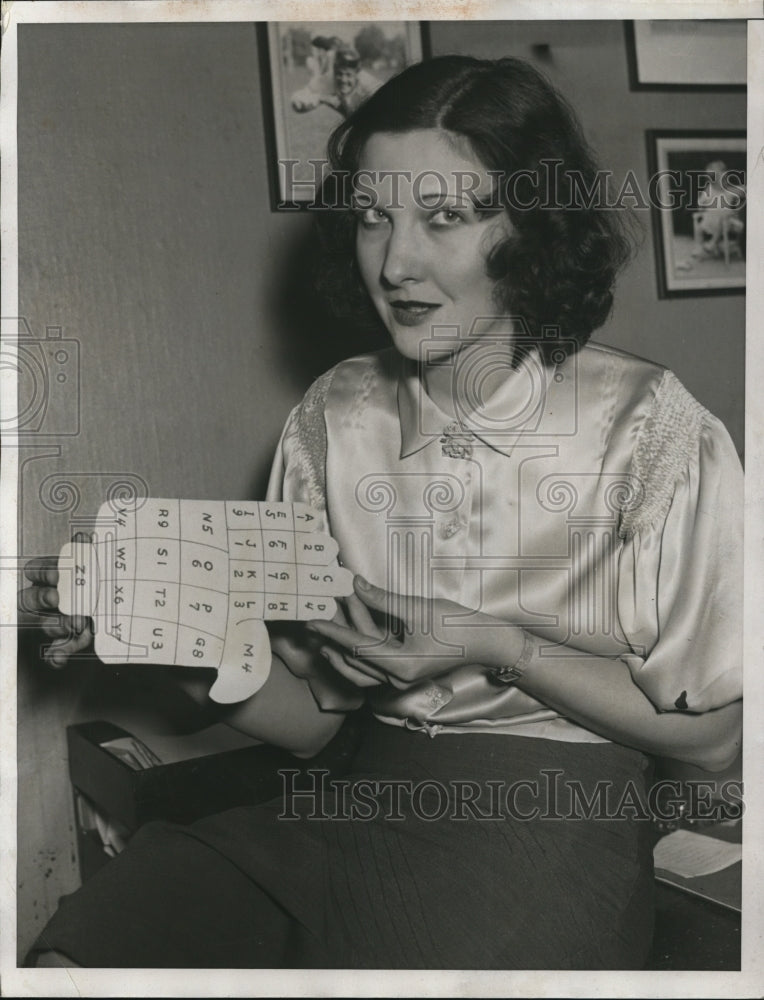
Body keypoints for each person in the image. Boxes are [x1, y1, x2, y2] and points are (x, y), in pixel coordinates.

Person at [21, 55, 742, 970]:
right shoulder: (333, 416)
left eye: (444, 218)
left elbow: (716, 739)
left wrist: (494, 642)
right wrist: (169, 638)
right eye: (373, 216)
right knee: (83, 953)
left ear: (529, 227)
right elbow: (316, 720)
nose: (397, 263)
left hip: (547, 829)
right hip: (346, 813)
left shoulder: (652, 428)